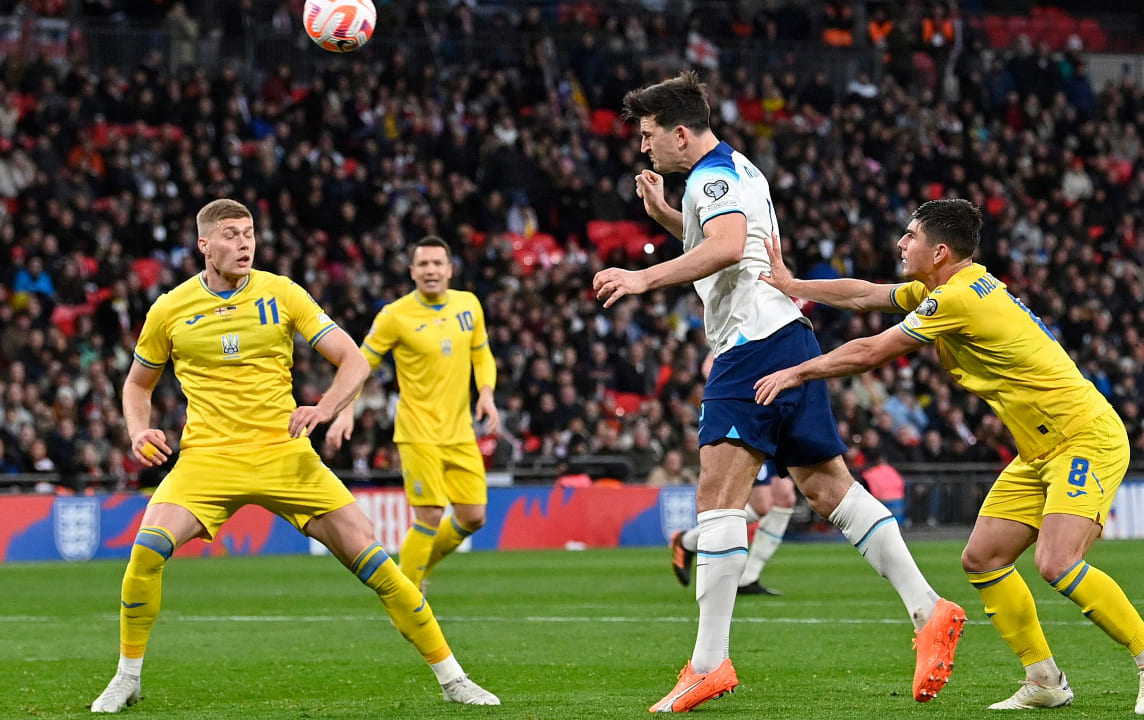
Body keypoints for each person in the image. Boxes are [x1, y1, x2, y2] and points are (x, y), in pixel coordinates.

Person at [592, 71, 964, 713]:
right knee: (827, 488)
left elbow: (729, 246)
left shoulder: (711, 176)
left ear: (681, 133)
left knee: (718, 499)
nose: (645, 149)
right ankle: (928, 608)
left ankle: (708, 663)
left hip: (751, 347)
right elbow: (732, 245)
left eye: (651, 136)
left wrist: (645, 275)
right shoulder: (740, 170)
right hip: (789, 335)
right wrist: (664, 217)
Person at [754, 199, 1144, 714]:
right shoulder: (943, 288)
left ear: (938, 251)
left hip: (1084, 436)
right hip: (1039, 448)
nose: (900, 243)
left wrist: (797, 371)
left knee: (1057, 562)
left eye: (909, 236)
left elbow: (872, 351)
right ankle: (1044, 679)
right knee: (984, 559)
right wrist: (793, 285)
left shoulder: (957, 298)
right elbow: (867, 295)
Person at [90, 200, 498, 714]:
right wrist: (137, 429)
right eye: (231, 235)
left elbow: (352, 359)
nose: (244, 244)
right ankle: (126, 676)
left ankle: (454, 679)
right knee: (146, 552)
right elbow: (137, 383)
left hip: (285, 455)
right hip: (207, 460)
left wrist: (326, 407)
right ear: (204, 245)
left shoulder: (281, 292)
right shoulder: (170, 308)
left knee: (376, 563)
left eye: (250, 234)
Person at [326, 237, 498, 595]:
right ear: (412, 272)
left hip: (460, 431)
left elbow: (481, 353)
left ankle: (412, 572)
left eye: (438, 264)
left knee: (473, 516)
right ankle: (405, 594)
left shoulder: (469, 305)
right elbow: (360, 363)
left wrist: (486, 393)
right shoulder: (395, 315)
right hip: (418, 432)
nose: (431, 270)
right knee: (430, 516)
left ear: (450, 270)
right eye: (423, 265)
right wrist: (345, 412)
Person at [670, 460, 795, 596]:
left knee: (785, 500)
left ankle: (748, 579)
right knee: (761, 505)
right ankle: (687, 541)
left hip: (778, 443)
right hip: (758, 441)